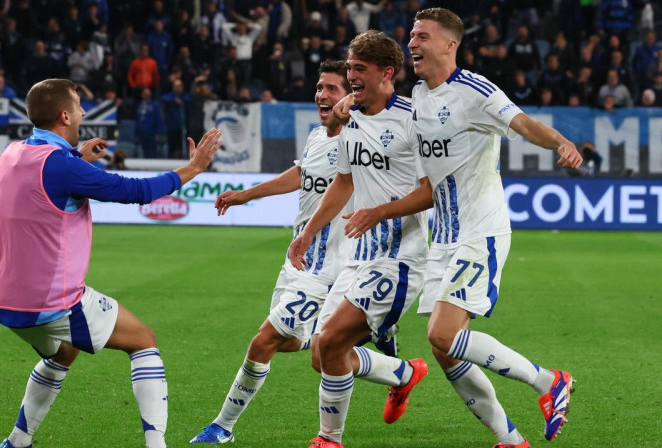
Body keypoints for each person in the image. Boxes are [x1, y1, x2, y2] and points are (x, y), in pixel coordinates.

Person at [0, 78, 223, 448]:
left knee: (65, 351)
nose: (84, 111)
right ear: (65, 114)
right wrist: (193, 168)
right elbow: (135, 191)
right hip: (53, 301)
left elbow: (50, 176)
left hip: (6, 301)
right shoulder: (62, 166)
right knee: (144, 340)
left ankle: (17, 441)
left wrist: (77, 156)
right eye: (80, 105)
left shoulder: (13, 152)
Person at [402, 8, 580, 448]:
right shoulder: (419, 94)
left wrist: (559, 141)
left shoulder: (475, 90)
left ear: (449, 44)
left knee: (442, 334)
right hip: (442, 235)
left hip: (480, 228)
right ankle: (509, 438)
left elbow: (522, 123)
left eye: (422, 36)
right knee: (444, 350)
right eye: (411, 35)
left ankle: (548, 381)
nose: (412, 43)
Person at [190, 59, 354, 444]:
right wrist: (245, 195)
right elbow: (299, 175)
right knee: (298, 342)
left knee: (264, 340)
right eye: (319, 87)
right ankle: (402, 373)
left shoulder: (358, 139)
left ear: (350, 94)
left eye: (332, 88)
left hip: (328, 263)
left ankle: (223, 426)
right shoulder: (318, 136)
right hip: (298, 257)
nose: (322, 94)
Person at [288, 30, 431, 448]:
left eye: (358, 69)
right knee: (321, 353)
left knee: (332, 342)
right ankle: (404, 373)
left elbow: (430, 191)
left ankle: (328, 439)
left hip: (401, 256)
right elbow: (344, 183)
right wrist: (308, 233)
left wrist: (378, 213)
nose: (350, 76)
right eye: (348, 67)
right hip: (358, 256)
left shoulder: (411, 120)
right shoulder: (350, 119)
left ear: (387, 72)